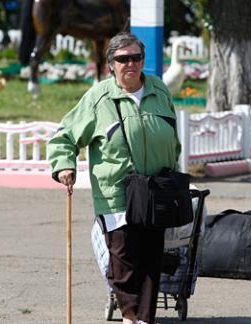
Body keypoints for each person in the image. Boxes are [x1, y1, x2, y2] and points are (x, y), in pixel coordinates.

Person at [48, 32, 181, 324]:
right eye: (123, 59)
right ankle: (130, 316)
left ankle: (144, 319)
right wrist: (64, 165)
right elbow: (65, 136)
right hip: (117, 192)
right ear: (111, 64)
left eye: (136, 58)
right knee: (124, 260)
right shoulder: (99, 98)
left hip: (156, 191)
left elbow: (172, 136)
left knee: (150, 259)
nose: (131, 64)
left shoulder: (158, 89)